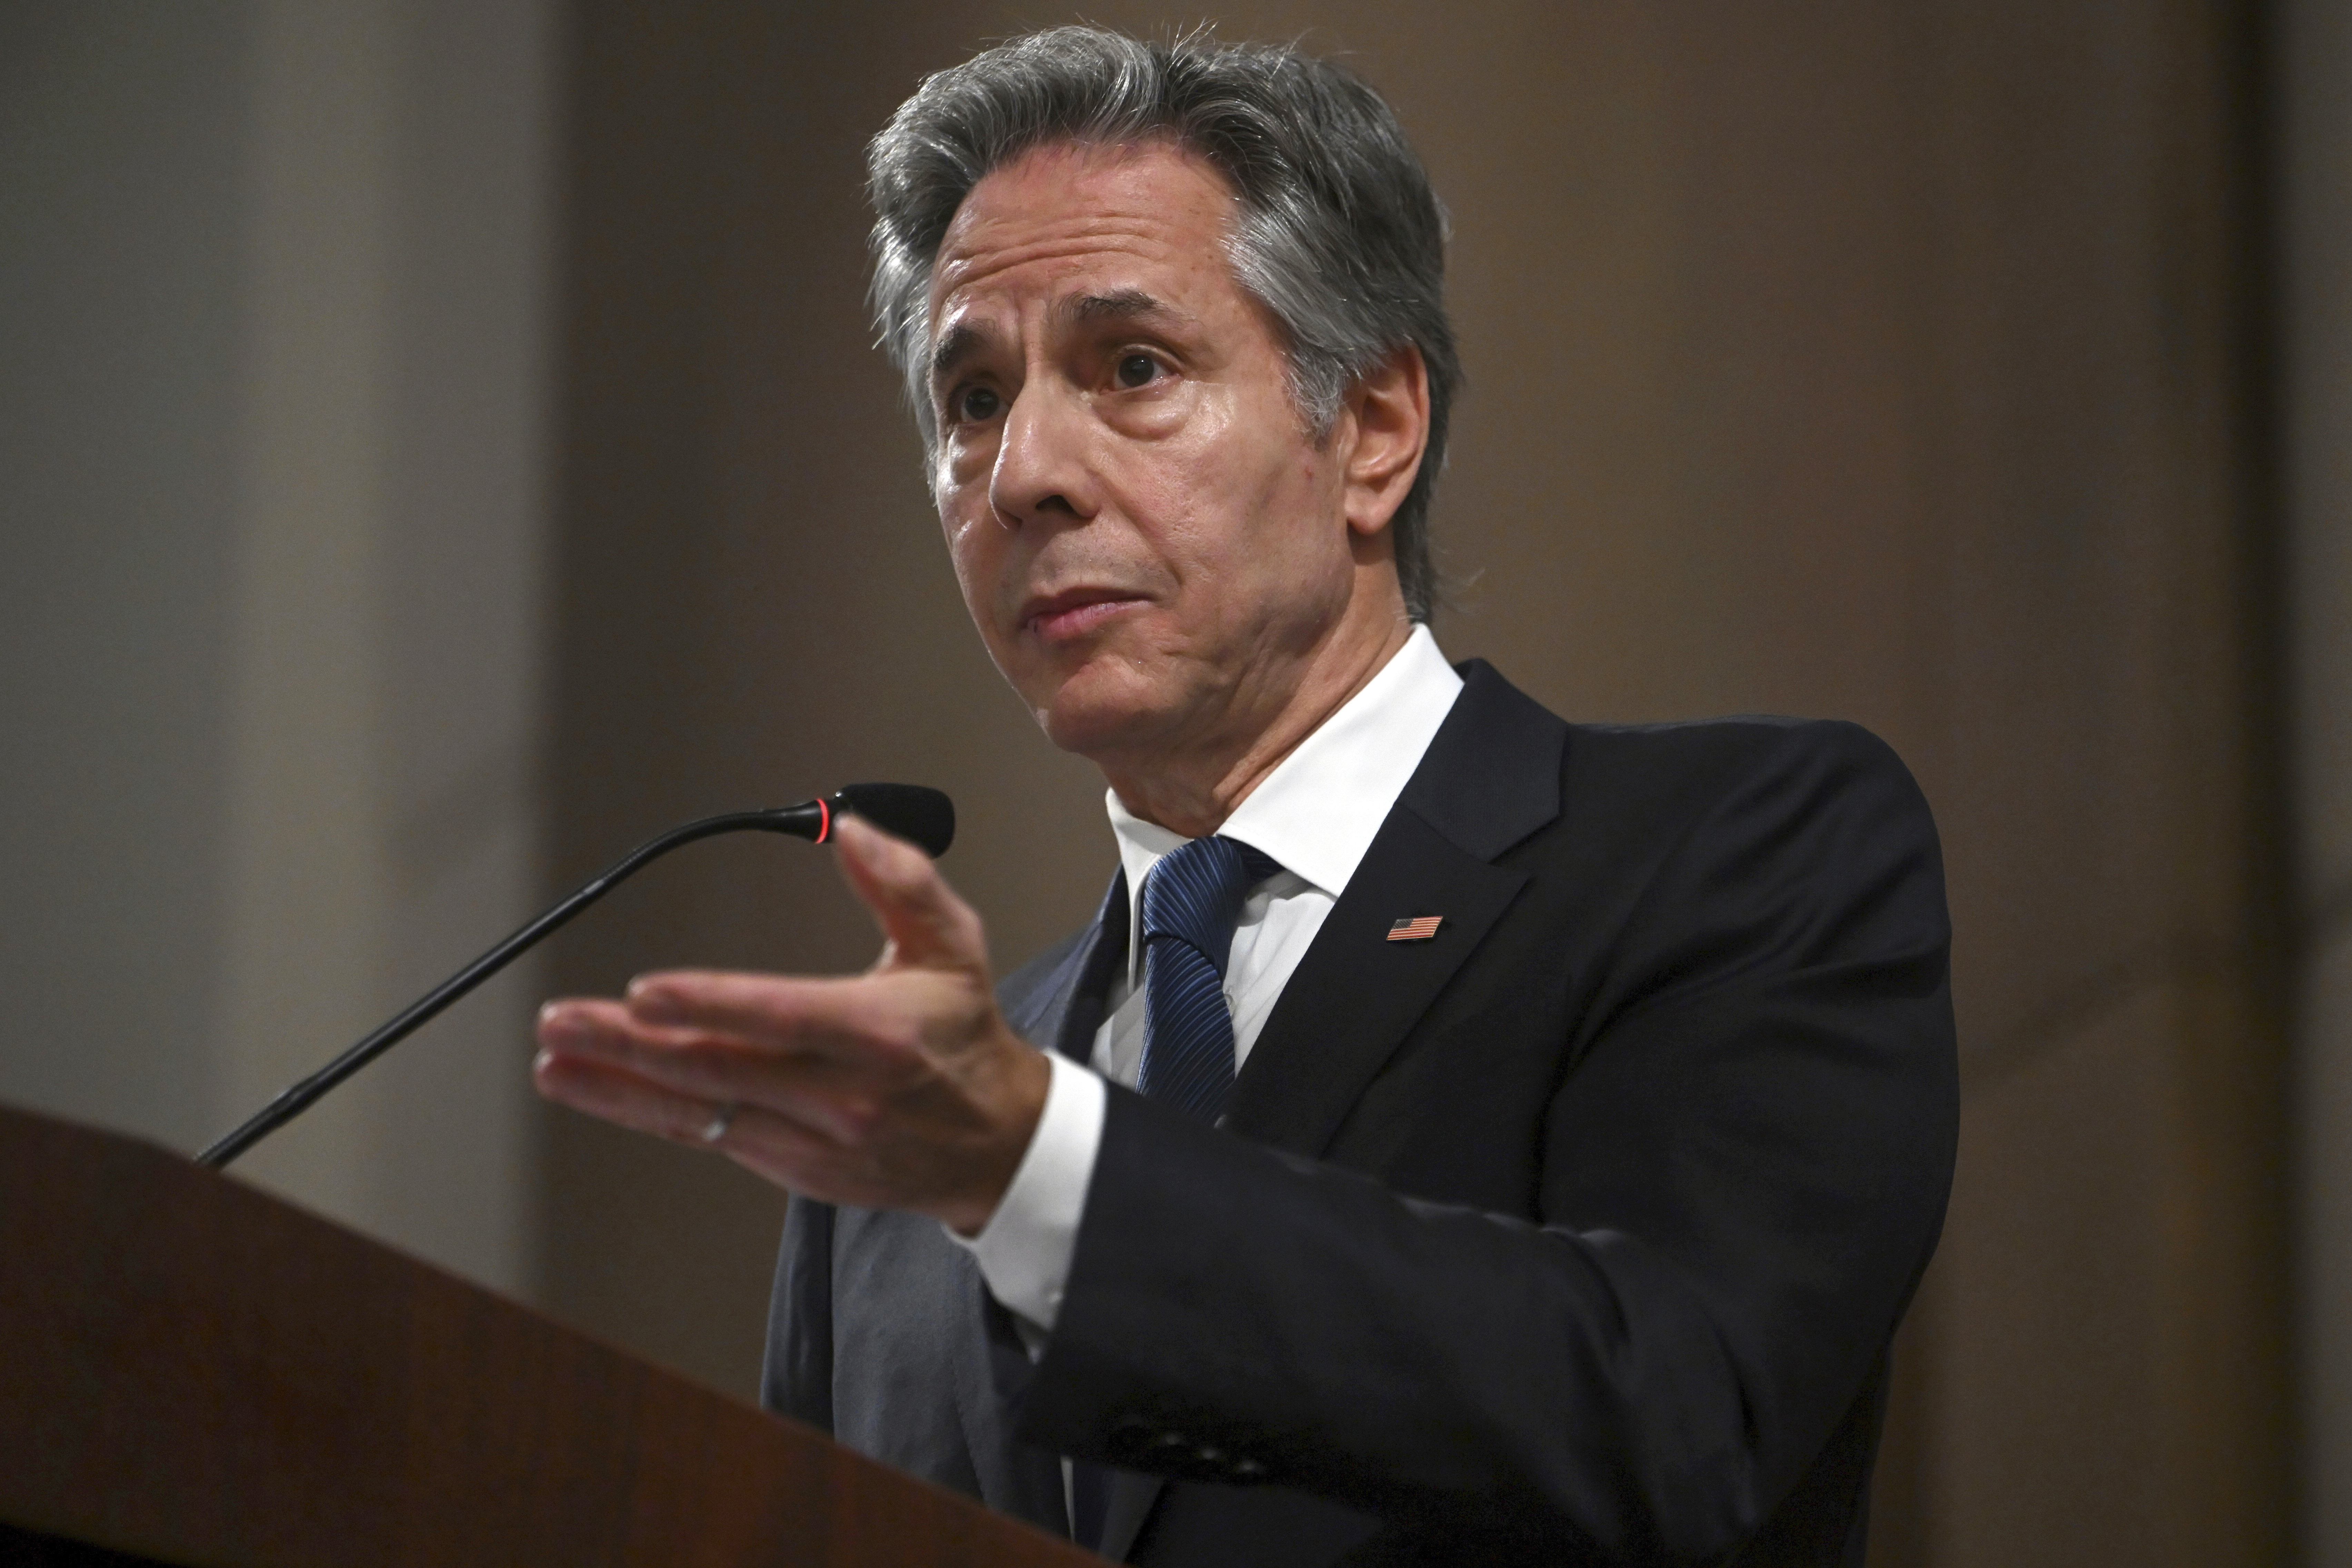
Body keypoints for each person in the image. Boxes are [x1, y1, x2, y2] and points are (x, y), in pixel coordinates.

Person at [531, 25, 1958, 1567]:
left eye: (1131, 368)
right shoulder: (890, 1179)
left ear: (1372, 431)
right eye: (969, 398)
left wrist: (1044, 1175)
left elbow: (1682, 1411)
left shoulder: (1734, 853)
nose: (1022, 474)